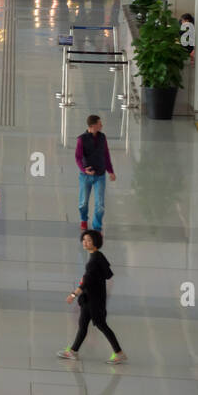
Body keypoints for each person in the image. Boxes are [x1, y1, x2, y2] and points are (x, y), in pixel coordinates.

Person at [57, 230, 127, 365]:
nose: (85, 242)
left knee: (101, 325)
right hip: (92, 298)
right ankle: (73, 351)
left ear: (95, 243)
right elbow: (108, 275)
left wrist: (73, 294)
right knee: (83, 325)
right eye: (84, 239)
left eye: (88, 240)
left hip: (94, 300)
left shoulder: (93, 261)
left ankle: (119, 353)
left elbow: (86, 281)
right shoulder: (99, 256)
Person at [76, 114, 116, 232]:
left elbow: (106, 155)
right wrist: (84, 170)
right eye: (99, 124)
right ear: (93, 126)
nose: (102, 125)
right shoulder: (81, 139)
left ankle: (97, 226)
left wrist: (110, 171)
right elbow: (78, 158)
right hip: (85, 176)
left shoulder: (102, 138)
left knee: (100, 205)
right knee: (83, 203)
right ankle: (84, 219)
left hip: (100, 175)